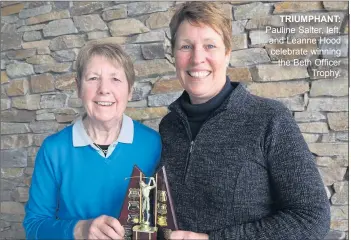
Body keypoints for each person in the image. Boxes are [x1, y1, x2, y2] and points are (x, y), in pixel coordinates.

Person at [158, 2, 330, 240]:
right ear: (174, 56)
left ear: (227, 53)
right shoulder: (168, 127)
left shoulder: (269, 119)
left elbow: (312, 218)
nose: (197, 58)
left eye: (210, 45)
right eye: (186, 46)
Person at [23, 43, 161, 239]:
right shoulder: (53, 150)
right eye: (93, 78)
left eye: (115, 79)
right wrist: (79, 229)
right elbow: (34, 227)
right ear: (78, 87)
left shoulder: (154, 144)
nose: (104, 89)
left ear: (130, 91)